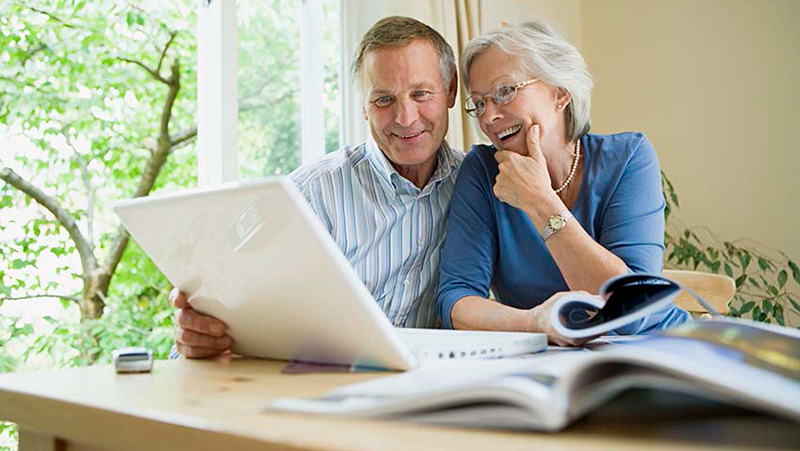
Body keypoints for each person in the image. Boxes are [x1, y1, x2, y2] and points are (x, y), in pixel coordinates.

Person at [171, 16, 463, 358]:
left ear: (451, 90)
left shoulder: (472, 186)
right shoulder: (309, 194)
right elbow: (219, 305)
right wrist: (198, 334)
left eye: (421, 93)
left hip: (420, 389)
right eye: (383, 100)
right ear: (364, 107)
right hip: (311, 383)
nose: (406, 117)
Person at [436, 21, 688, 346]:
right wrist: (535, 323)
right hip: (551, 360)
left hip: (655, 351)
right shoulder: (483, 171)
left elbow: (633, 312)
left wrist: (539, 201)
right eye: (480, 103)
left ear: (560, 93)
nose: (488, 117)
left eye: (505, 92)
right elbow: (456, 301)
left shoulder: (629, 158)